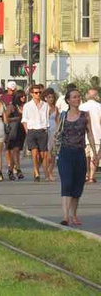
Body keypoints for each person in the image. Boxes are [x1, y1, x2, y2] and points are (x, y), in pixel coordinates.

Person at [54, 88, 99, 226]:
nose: (77, 99)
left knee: (77, 185)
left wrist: (94, 152)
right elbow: (57, 134)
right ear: (68, 100)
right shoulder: (63, 115)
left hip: (79, 153)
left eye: (79, 97)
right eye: (74, 97)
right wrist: (52, 151)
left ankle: (74, 214)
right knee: (66, 183)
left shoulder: (85, 116)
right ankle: (66, 216)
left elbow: (90, 134)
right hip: (65, 153)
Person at [22, 83, 50, 181]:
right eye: (36, 93)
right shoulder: (27, 106)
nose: (38, 94)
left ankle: (37, 168)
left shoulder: (45, 105)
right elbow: (24, 120)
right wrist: (27, 131)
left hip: (42, 130)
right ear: (31, 94)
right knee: (34, 152)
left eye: (39, 92)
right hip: (32, 131)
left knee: (43, 155)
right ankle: (36, 172)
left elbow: (46, 118)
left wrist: (46, 129)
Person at [79, 88, 101, 184]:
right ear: (96, 96)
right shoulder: (99, 107)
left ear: (87, 96)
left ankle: (86, 175)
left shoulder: (81, 107)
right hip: (97, 134)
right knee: (94, 156)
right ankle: (91, 176)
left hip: (83, 135)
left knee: (85, 156)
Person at [5, 90, 27, 180]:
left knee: (17, 151)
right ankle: (18, 169)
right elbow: (5, 118)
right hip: (13, 130)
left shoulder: (25, 107)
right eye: (21, 96)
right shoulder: (12, 106)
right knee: (15, 150)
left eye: (24, 96)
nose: (24, 98)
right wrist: (15, 119)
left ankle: (11, 170)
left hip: (22, 131)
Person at [44, 88, 59, 182]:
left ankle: (50, 172)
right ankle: (46, 174)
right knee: (46, 154)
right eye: (49, 97)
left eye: (52, 97)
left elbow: (58, 120)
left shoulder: (56, 108)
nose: (51, 99)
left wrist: (59, 131)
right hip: (46, 131)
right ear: (45, 98)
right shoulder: (44, 107)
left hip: (54, 130)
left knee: (53, 153)